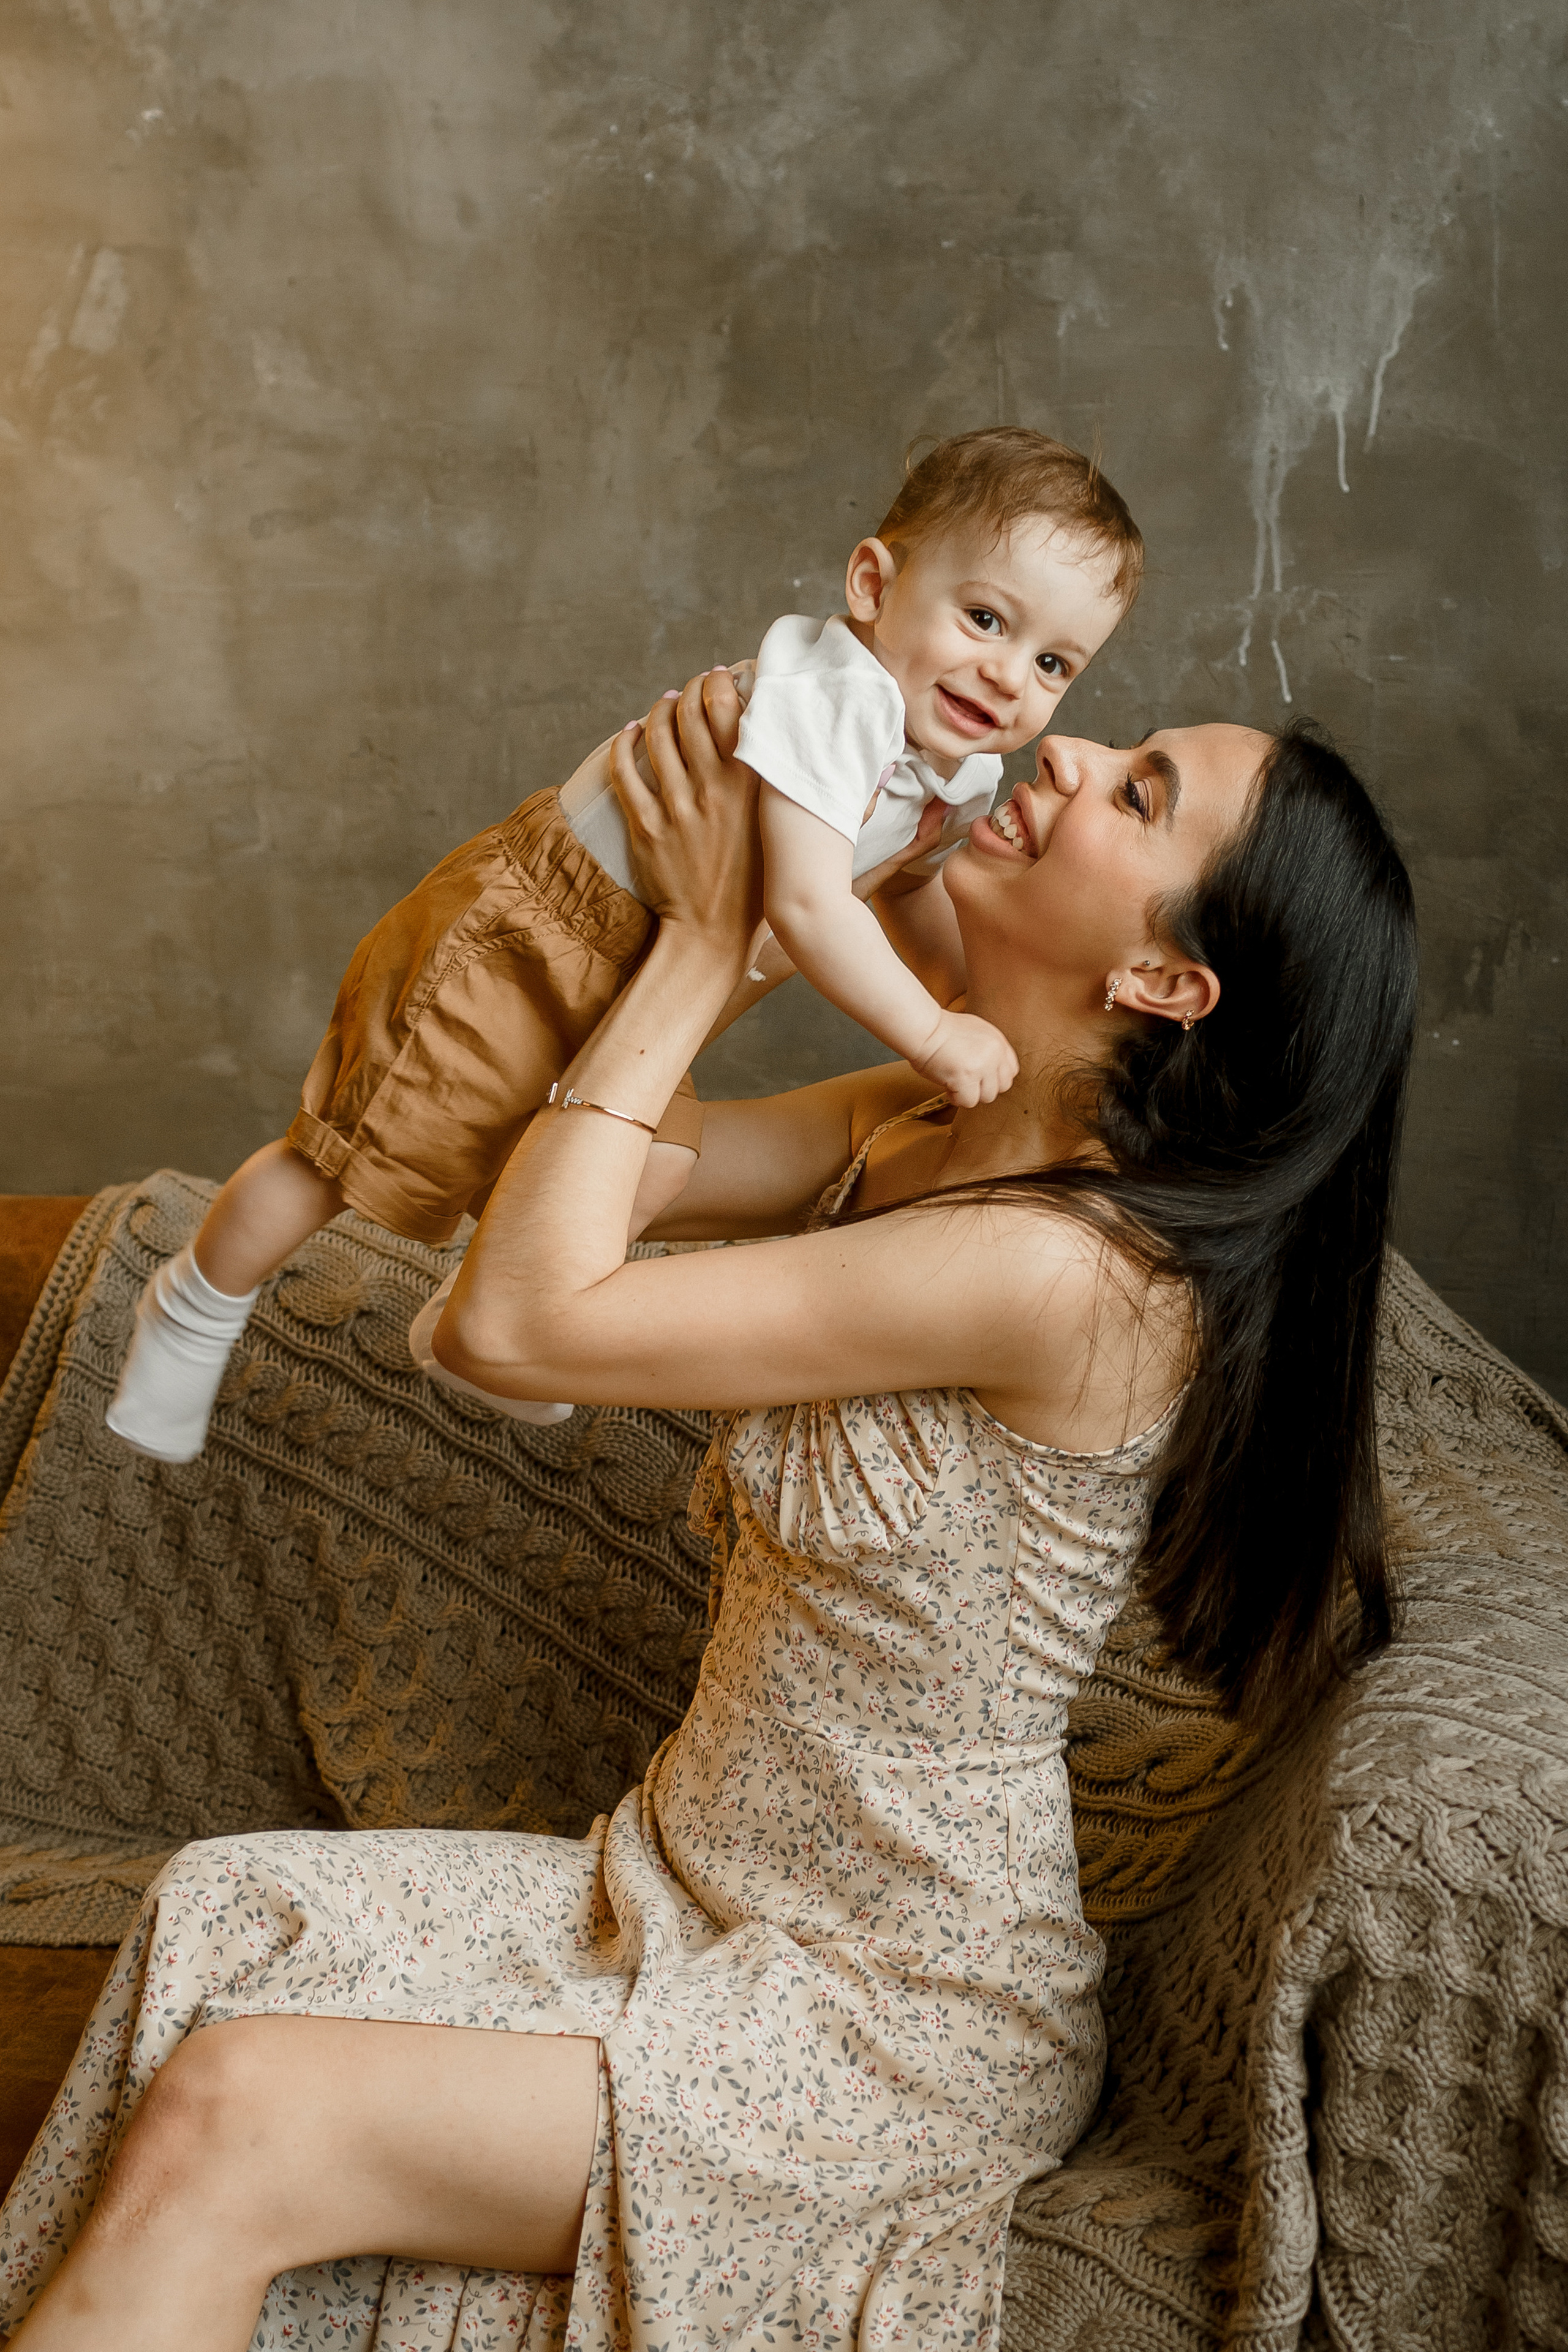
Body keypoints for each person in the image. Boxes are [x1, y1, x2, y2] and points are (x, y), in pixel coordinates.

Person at [1, 667, 1417, 2352]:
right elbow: (542, 1185)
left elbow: (516, 1323)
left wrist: (695, 946)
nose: (1071, 749)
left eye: (1139, 795)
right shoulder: (911, 1127)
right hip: (677, 1890)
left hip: (885, 2015)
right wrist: (760, 922)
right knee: (227, 1912)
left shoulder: (1071, 1275)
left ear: (1164, 979)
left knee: (251, 2110)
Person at [104, 426, 1141, 1464]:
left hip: (644, 987)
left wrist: (956, 983)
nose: (1008, 676)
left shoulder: (954, 772)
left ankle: (471, 1327)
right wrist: (934, 1033)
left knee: (655, 1162)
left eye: (1052, 661)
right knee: (346, 1158)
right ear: (872, 584)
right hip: (529, 939)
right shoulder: (835, 698)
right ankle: (195, 1304)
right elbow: (816, 908)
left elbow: (907, 884)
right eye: (984, 619)